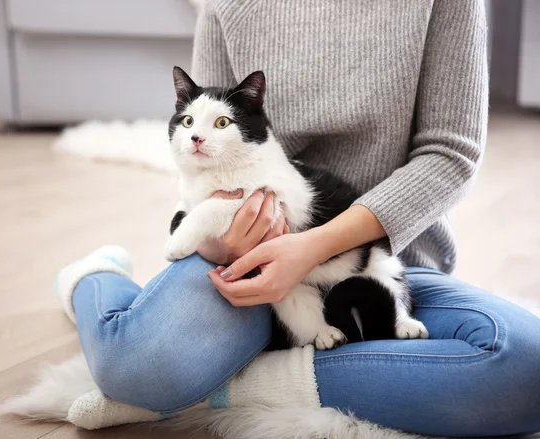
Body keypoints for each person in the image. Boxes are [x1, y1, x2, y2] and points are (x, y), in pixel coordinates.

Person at [56, 1, 540, 436]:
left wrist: (316, 245)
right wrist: (217, 246)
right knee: (131, 370)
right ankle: (93, 277)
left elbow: (450, 152)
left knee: (527, 369)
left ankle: (232, 387)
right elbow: (202, 151)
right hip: (243, 260)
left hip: (377, 258)